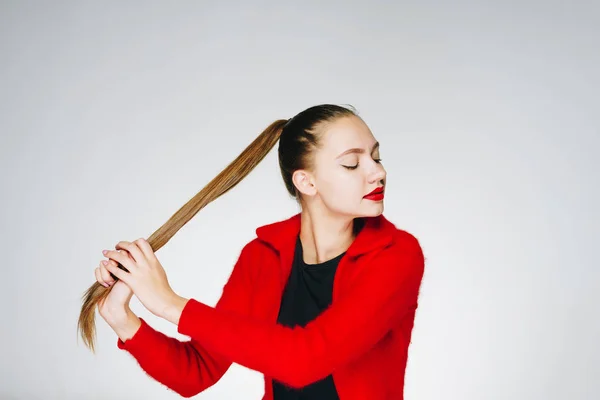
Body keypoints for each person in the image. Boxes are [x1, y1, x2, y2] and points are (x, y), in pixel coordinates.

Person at [92, 104, 425, 399]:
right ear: (306, 182)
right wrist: (124, 321)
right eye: (352, 164)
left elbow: (305, 361)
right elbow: (195, 372)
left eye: (376, 157)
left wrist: (168, 303)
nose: (378, 172)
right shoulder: (263, 255)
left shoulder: (396, 255)